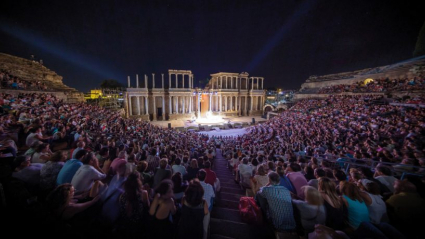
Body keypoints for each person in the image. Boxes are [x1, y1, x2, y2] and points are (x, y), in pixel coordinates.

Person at [116, 172, 149, 237]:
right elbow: (147, 207)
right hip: (137, 226)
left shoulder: (122, 195)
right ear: (139, 182)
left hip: (124, 224)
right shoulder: (143, 193)